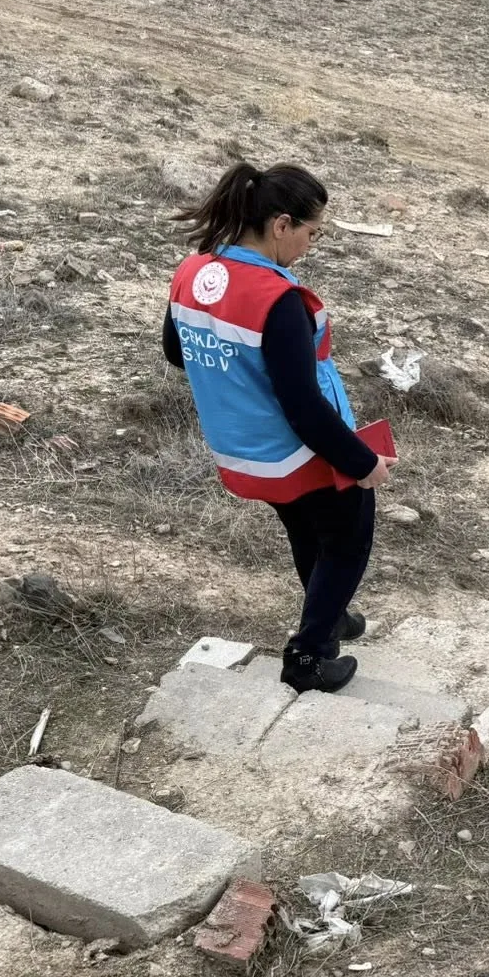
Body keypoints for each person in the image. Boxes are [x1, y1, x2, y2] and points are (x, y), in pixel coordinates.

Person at [161, 162, 393, 694]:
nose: (312, 245)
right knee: (348, 538)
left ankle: (328, 613)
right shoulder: (278, 300)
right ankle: (308, 656)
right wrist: (362, 463)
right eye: (313, 232)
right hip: (295, 451)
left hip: (239, 448)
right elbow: (305, 408)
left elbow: (178, 352)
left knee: (306, 529)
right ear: (282, 225)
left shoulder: (191, 271)